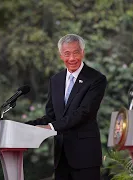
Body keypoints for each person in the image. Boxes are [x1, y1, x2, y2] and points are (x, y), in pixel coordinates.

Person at [26, 34, 107, 180]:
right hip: (61, 157)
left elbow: (83, 113)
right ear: (60, 56)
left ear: (83, 52)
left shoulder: (96, 79)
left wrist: (50, 127)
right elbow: (51, 116)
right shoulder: (55, 80)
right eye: (67, 54)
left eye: (76, 52)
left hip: (85, 157)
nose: (72, 58)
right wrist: (25, 127)